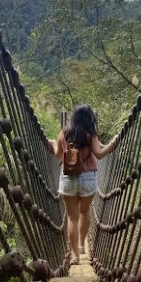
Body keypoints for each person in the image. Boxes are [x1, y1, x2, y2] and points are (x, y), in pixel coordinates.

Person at [48, 104, 117, 264]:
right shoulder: (90, 134)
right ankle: (81, 245)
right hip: (88, 179)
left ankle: (74, 256)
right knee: (84, 212)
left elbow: (59, 155)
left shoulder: (64, 132)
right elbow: (99, 154)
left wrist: (54, 144)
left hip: (68, 179)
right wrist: (112, 144)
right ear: (90, 118)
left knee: (72, 218)